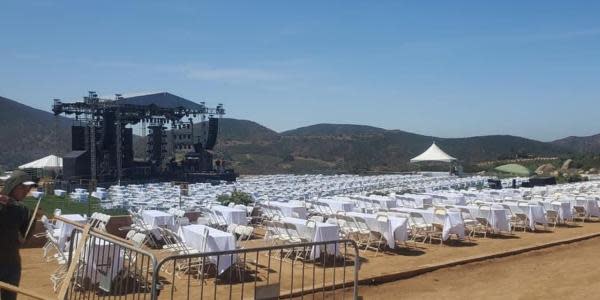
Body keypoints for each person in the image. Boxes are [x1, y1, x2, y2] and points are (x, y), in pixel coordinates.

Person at [0, 170, 36, 300]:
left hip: (11, 263)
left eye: (29, 188)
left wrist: (33, 220)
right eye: (23, 187)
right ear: (12, 186)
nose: (26, 191)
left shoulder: (22, 211)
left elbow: (24, 238)